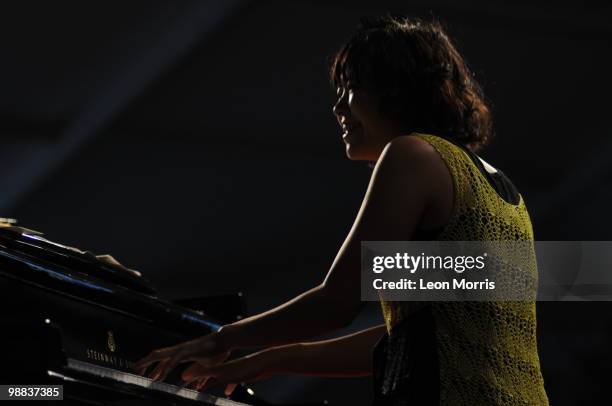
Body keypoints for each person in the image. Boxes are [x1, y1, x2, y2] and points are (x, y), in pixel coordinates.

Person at [134, 15, 549, 405]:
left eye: (350, 87)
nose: (338, 108)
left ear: (395, 89)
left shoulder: (411, 156)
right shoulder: (502, 191)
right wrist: (266, 360)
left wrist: (220, 338)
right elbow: (408, 340)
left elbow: (337, 302)